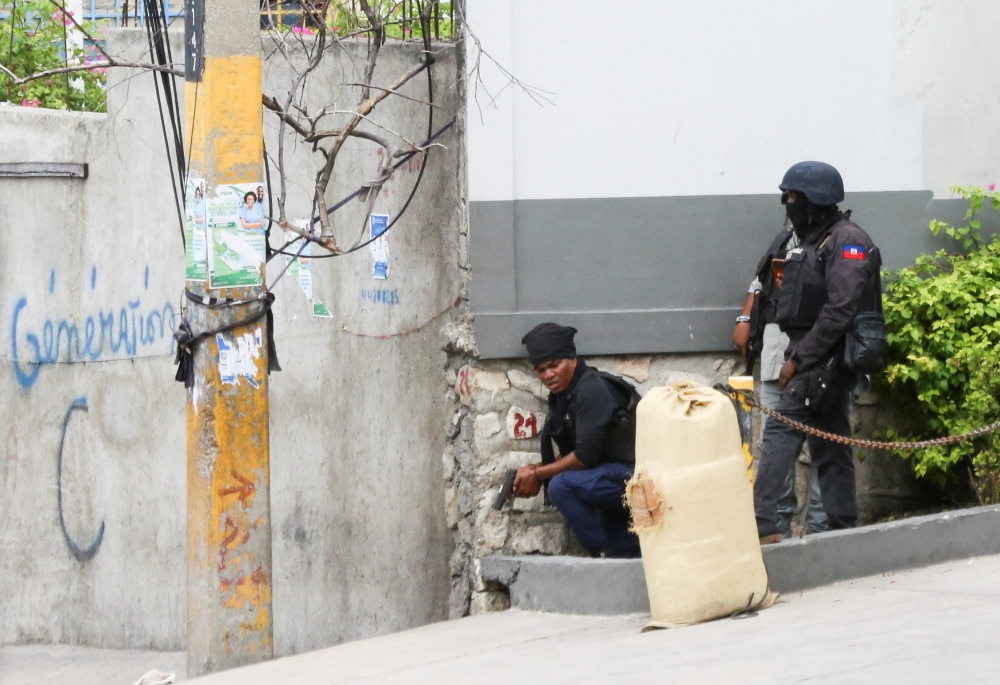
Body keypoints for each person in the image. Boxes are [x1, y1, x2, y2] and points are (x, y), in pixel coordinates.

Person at [753, 161, 881, 544]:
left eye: (791, 196)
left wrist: (798, 360)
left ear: (815, 198)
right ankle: (843, 532)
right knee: (830, 442)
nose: (786, 202)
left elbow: (841, 310)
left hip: (824, 359)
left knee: (779, 431)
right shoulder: (815, 239)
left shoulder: (847, 241)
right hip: (815, 355)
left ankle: (761, 527)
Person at [511, 323, 641, 558]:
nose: (548, 375)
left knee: (561, 485)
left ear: (572, 359)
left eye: (554, 365)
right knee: (627, 554)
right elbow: (579, 451)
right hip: (610, 474)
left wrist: (539, 475)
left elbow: (584, 457)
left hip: (636, 475)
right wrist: (533, 469)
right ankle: (613, 554)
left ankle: (602, 552)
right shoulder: (563, 396)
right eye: (541, 370)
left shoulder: (590, 389)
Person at [734, 223, 829, 538]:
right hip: (777, 349)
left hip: (821, 353)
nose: (791, 204)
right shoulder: (784, 236)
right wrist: (745, 318)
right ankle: (776, 528)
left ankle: (820, 530)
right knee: (776, 443)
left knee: (824, 445)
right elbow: (760, 282)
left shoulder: (838, 239)